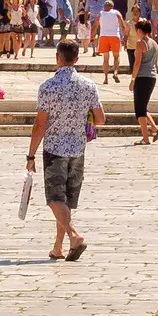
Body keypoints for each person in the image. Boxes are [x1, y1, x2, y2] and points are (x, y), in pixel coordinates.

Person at [26, 41, 103, 262]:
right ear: (77, 59)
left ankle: (74, 235)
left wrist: (30, 155)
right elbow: (100, 119)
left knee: (54, 198)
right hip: (78, 149)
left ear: (57, 57)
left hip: (54, 149)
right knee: (66, 200)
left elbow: (40, 125)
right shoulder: (89, 86)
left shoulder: (48, 87)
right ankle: (58, 247)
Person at [132, 18, 158, 145]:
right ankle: (154, 128)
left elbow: (137, 63)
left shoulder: (140, 43)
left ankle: (145, 137)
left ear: (139, 30)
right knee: (142, 106)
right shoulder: (154, 43)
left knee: (139, 109)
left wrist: (133, 79)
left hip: (142, 77)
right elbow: (156, 62)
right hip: (152, 76)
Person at [96, 0, 125, 84]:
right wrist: (124, 37)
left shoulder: (101, 14)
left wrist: (92, 35)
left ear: (104, 6)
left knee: (105, 59)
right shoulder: (116, 13)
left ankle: (106, 78)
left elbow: (95, 25)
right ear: (112, 7)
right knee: (116, 57)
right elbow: (122, 25)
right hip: (114, 36)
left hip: (103, 36)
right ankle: (115, 72)